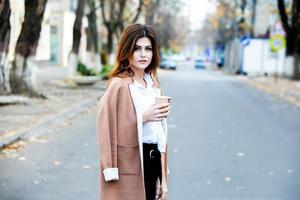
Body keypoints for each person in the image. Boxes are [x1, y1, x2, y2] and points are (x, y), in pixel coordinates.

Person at [96, 23, 171, 200]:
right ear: (127, 51)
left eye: (148, 49)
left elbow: (159, 137)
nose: (144, 54)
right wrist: (143, 117)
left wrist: (163, 179)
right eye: (137, 48)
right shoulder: (119, 85)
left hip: (154, 161)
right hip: (129, 163)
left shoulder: (153, 85)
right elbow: (106, 128)